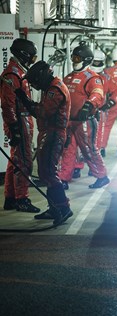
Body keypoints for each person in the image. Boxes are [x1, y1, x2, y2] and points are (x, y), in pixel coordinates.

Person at [14, 61, 73, 225]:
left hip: (53, 133)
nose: (33, 85)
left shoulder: (55, 90)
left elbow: (43, 112)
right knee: (45, 172)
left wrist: (25, 101)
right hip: (49, 132)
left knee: (49, 172)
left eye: (34, 81)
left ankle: (63, 208)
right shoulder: (52, 87)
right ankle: (54, 208)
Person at [58, 42, 110, 189]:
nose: (75, 61)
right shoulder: (68, 78)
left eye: (77, 58)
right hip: (70, 121)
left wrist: (88, 106)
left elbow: (97, 94)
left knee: (88, 149)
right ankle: (63, 178)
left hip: (85, 121)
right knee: (67, 149)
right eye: (73, 58)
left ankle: (101, 176)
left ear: (86, 60)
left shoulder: (92, 78)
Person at [0, 38, 40, 213]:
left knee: (15, 160)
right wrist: (14, 127)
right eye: (32, 57)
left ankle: (10, 197)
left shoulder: (19, 72)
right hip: (18, 121)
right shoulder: (12, 74)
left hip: (22, 119)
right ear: (24, 55)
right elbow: (8, 104)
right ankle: (22, 199)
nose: (33, 60)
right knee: (23, 161)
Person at [90, 49, 117, 158]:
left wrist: (110, 102)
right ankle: (78, 165)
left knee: (98, 134)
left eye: (98, 62)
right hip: (82, 111)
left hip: (99, 110)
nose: (96, 64)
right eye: (95, 61)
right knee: (82, 137)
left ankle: (95, 158)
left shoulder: (106, 78)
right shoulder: (83, 76)